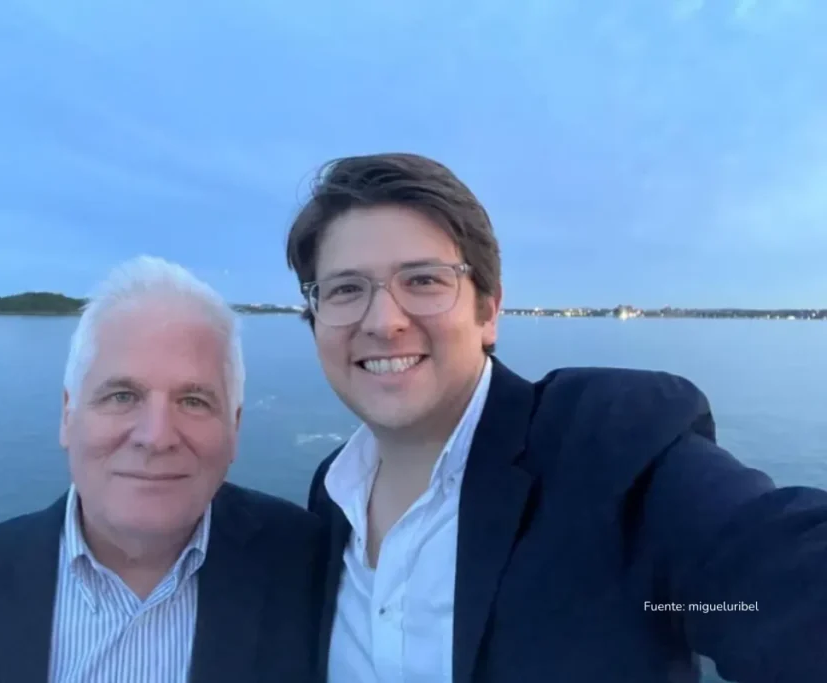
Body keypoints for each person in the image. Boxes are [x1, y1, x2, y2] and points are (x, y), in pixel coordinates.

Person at [285, 153, 827, 683]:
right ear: (315, 318)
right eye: (346, 289)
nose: (383, 321)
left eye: (423, 280)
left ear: (489, 311)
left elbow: (772, 579)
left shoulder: (614, 452)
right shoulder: (332, 496)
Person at [0, 255, 324, 683]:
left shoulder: (310, 567)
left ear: (234, 428)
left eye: (193, 400)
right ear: (68, 415)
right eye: (122, 396)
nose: (156, 435)